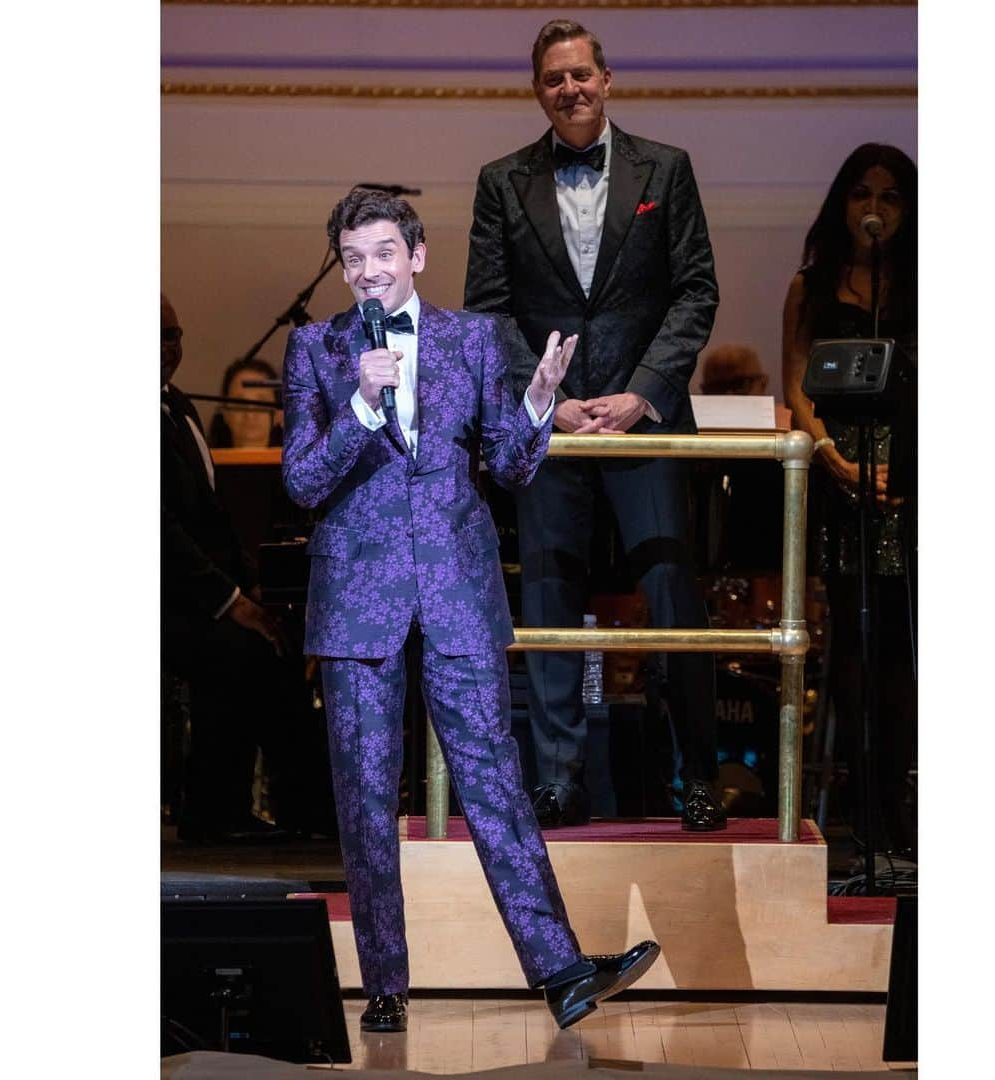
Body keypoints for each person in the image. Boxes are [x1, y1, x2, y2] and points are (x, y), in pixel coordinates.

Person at [282, 187, 659, 1034]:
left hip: (456, 589)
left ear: (416, 256)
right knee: (366, 796)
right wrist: (359, 410)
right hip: (357, 601)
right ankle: (384, 983)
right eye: (355, 260)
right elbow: (302, 480)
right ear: (343, 270)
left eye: (385, 253)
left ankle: (560, 972)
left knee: (495, 783)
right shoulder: (318, 350)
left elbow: (512, 467)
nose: (370, 271)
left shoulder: (471, 339)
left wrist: (537, 403)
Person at [464, 19, 723, 831]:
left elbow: (695, 292)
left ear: (607, 79)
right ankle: (559, 782)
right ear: (536, 90)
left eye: (581, 74)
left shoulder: (666, 169)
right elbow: (489, 310)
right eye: (553, 79)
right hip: (554, 421)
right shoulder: (501, 180)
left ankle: (699, 779)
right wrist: (551, 398)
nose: (569, 89)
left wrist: (642, 392)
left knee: (671, 592)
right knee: (546, 595)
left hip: (645, 422)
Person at [780, 143, 917, 859]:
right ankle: (861, 815)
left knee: (907, 651)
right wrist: (830, 450)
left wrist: (911, 467)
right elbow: (797, 383)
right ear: (842, 202)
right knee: (857, 648)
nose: (875, 208)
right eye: (862, 193)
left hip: (916, 483)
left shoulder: (927, 282)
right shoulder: (813, 285)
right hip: (843, 481)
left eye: (890, 197)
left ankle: (905, 810)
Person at [161, 294, 294, 844]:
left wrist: (253, 584)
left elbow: (215, 518)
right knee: (238, 650)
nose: (166, 348)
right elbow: (162, 535)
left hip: (205, 591)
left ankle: (304, 809)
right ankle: (212, 814)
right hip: (168, 599)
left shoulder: (181, 407)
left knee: (283, 641)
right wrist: (231, 601)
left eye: (173, 334)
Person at [207, 356, 284, 449]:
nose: (250, 414)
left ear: (277, 414)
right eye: (240, 403)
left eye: (261, 403)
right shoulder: (203, 462)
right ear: (225, 413)